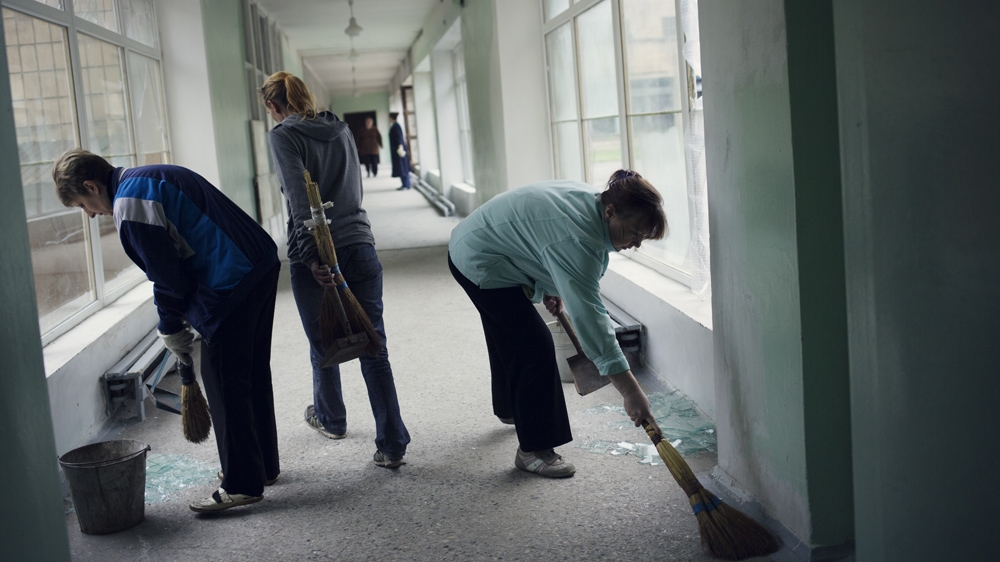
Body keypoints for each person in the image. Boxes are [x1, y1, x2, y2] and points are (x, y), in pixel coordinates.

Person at [53, 149, 281, 512]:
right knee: (250, 371)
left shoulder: (129, 206)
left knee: (222, 380)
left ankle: (242, 483)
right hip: (260, 262)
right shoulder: (152, 174)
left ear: (91, 186)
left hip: (231, 279)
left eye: (84, 205)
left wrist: (170, 325)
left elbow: (168, 278)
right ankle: (264, 466)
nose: (91, 214)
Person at [448, 170, 666, 478]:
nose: (637, 243)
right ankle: (534, 450)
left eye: (643, 237)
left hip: (476, 239)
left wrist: (551, 285)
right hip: (478, 258)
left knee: (508, 331)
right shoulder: (579, 238)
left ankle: (513, 408)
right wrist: (630, 390)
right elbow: (591, 319)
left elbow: (540, 237)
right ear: (610, 212)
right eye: (635, 233)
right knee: (534, 346)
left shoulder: (593, 203)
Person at [261, 71, 410, 468]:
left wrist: (313, 257)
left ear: (275, 106)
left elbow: (298, 199)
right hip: (361, 244)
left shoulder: (282, 135)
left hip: (316, 254)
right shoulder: (341, 128)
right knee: (374, 345)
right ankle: (393, 443)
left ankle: (332, 418)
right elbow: (353, 189)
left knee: (321, 343)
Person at [388, 112, 411, 190]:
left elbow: (398, 138)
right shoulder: (395, 126)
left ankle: (406, 185)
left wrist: (400, 147)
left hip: (399, 150)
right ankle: (405, 184)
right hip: (397, 150)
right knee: (402, 167)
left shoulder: (396, 127)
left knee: (402, 168)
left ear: (391, 118)